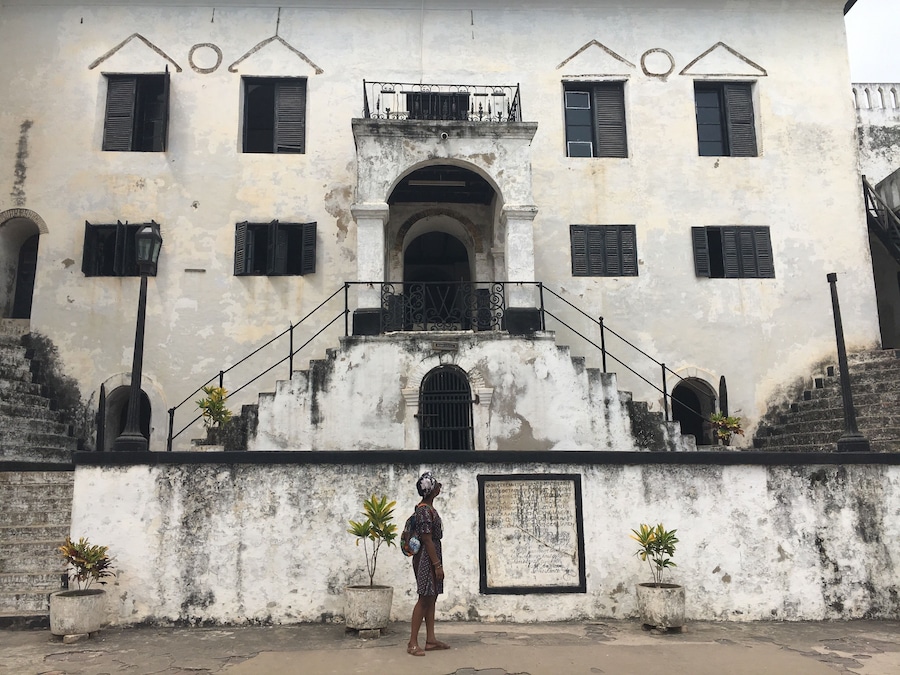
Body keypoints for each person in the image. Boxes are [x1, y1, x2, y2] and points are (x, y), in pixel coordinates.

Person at [407, 471, 450, 656]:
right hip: (426, 557)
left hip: (431, 555)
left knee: (431, 597)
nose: (440, 487)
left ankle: (430, 640)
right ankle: (412, 643)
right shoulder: (424, 510)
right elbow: (426, 539)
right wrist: (437, 565)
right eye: (437, 485)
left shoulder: (428, 509)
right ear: (432, 490)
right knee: (424, 598)